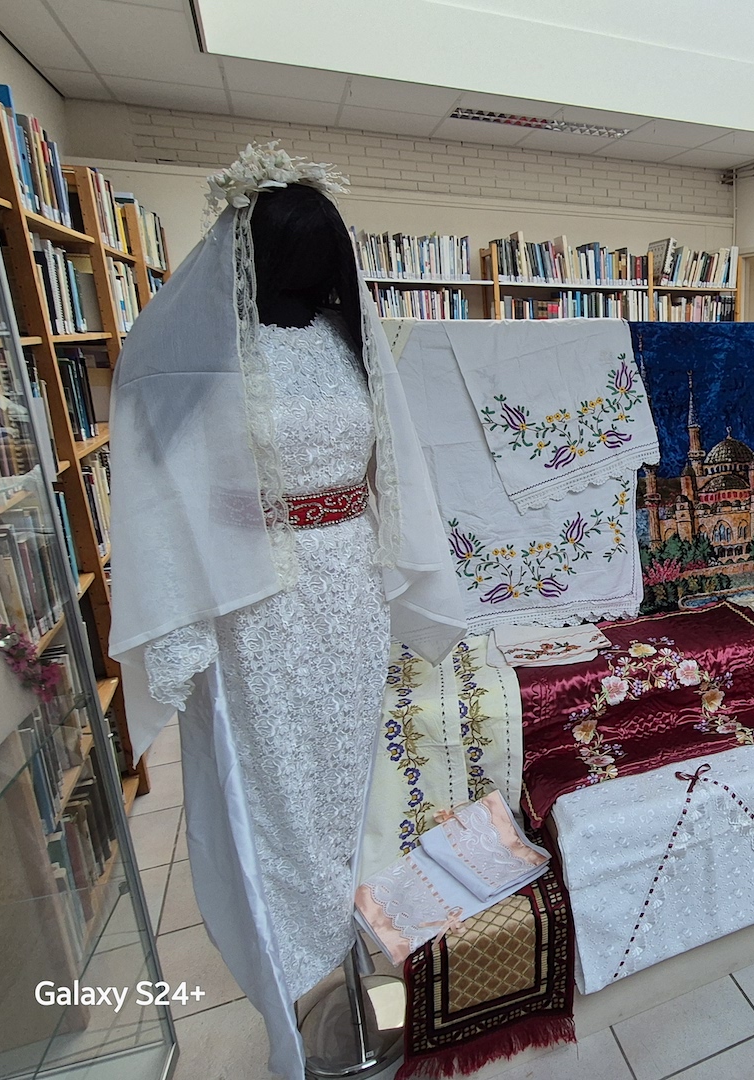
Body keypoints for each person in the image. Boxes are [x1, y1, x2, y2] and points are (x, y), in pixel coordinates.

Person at [108, 143, 465, 1079]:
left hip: (345, 590)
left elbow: (387, 466)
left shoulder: (353, 348)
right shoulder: (197, 359)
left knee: (345, 782)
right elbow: (163, 485)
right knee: (272, 796)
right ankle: (294, 990)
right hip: (257, 602)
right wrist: (183, 624)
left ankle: (347, 961)